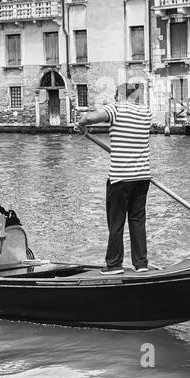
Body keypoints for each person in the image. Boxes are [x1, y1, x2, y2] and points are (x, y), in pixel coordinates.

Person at [74, 82, 152, 273]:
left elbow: (92, 117)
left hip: (120, 178)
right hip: (142, 176)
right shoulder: (146, 113)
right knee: (137, 219)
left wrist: (81, 124)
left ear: (120, 96)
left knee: (116, 222)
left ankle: (114, 264)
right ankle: (141, 264)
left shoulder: (116, 109)